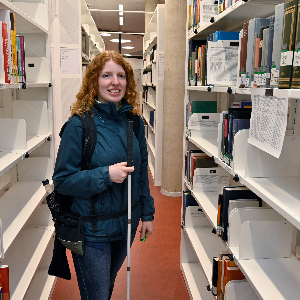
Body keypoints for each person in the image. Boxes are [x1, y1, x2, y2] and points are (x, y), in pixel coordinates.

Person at [52, 50, 155, 299]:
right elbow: (63, 181)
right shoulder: (79, 125)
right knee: (96, 295)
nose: (114, 82)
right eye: (106, 75)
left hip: (126, 225)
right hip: (91, 230)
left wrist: (148, 214)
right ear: (94, 81)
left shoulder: (134, 122)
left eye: (121, 76)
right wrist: (106, 175)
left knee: (105, 289)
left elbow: (140, 174)